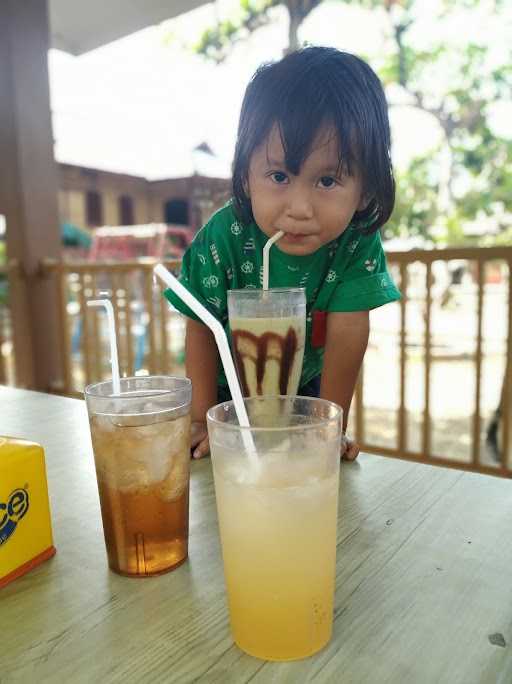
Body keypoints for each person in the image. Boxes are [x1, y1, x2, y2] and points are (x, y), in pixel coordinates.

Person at [164, 46, 401, 460]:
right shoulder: (225, 235)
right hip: (225, 389)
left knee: (302, 469)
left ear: (365, 186)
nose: (299, 208)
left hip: (306, 388)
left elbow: (349, 333)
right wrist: (201, 418)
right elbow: (200, 324)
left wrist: (332, 423)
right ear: (246, 173)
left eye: (327, 181)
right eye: (279, 175)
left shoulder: (355, 243)